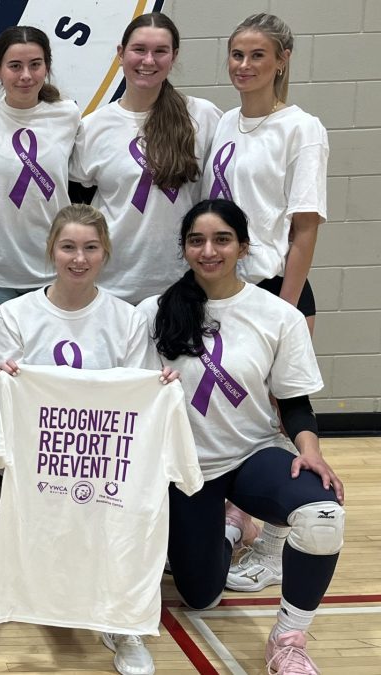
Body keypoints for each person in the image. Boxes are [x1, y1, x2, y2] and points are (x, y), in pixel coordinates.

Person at [140, 199, 344, 675]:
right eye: (197, 241)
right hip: (187, 468)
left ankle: (288, 639)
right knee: (201, 597)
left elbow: (293, 401)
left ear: (243, 246)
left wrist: (310, 450)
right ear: (185, 249)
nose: (209, 250)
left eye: (222, 239)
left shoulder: (277, 316)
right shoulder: (154, 312)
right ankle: (233, 528)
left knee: (322, 515)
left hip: (253, 454)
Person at [0, 204, 172, 675]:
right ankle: (54, 605)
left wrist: (160, 385)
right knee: (52, 533)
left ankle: (124, 624)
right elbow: (8, 402)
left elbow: (136, 399)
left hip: (108, 455)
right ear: (51, 250)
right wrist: (8, 377)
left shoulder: (128, 318)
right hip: (44, 455)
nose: (79, 258)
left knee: (120, 531)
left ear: (105, 253)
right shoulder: (14, 315)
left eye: (90, 248)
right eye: (68, 247)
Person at [202, 13, 330, 594]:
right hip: (223, 288)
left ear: (282, 60)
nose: (244, 66)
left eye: (257, 55)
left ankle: (278, 548)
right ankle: (240, 516)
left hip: (274, 287)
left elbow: (304, 227)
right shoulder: (225, 122)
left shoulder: (302, 127)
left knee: (280, 411)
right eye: (236, 54)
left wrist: (285, 305)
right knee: (234, 407)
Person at [0, 25, 80, 550]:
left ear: (47, 67)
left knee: (48, 395)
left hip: (52, 280)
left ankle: (46, 492)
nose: (25, 76)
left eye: (34, 65)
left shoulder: (69, 117)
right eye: (14, 66)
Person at [70, 12, 222, 304]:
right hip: (112, 283)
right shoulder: (93, 127)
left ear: (174, 56)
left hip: (183, 282)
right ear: (120, 53)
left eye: (160, 51)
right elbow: (79, 209)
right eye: (139, 49)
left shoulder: (203, 117)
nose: (148, 61)